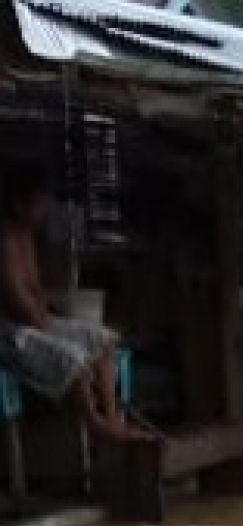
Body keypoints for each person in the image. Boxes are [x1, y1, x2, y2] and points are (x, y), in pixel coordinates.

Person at [0, 160, 153, 442]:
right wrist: (43, 319)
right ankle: (94, 423)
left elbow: (34, 290)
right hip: (11, 333)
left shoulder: (27, 237)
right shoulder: (5, 240)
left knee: (103, 339)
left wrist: (48, 313)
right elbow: (16, 300)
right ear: (17, 204)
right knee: (74, 359)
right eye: (38, 204)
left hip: (38, 321)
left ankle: (111, 418)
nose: (43, 210)